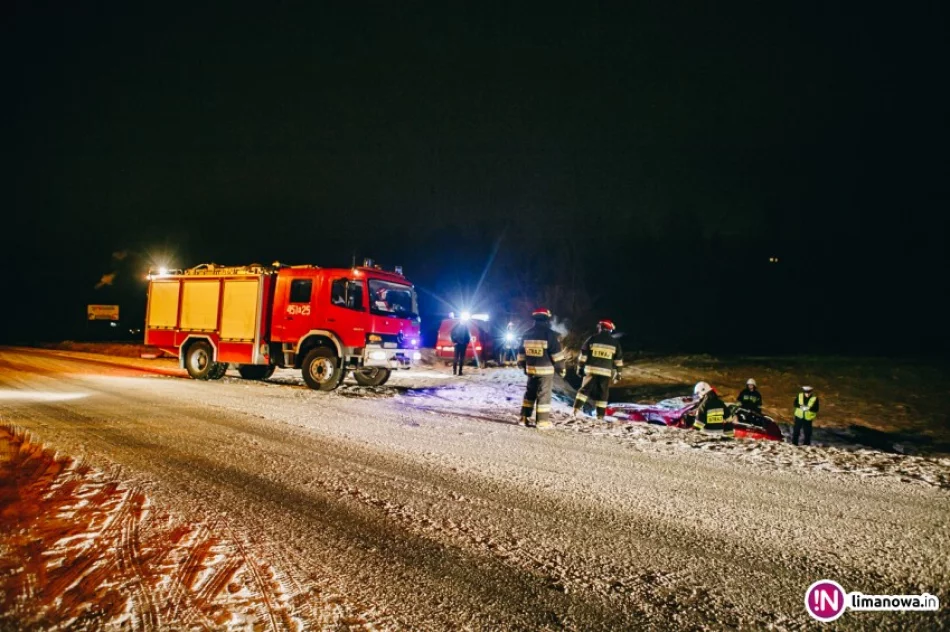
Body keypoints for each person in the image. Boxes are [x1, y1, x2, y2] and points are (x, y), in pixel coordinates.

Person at [517, 308, 567, 429]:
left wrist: (523, 365)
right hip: (545, 371)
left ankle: (524, 418)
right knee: (544, 395)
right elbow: (557, 355)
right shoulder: (550, 334)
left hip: (531, 370)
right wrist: (561, 369)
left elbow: (521, 353)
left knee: (530, 394)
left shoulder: (526, 333)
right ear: (547, 320)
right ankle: (542, 421)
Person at [572, 319, 624, 420]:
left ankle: (575, 411)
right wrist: (618, 373)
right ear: (610, 330)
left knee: (584, 390)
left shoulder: (592, 339)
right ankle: (600, 416)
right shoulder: (615, 343)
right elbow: (618, 360)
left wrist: (580, 367)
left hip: (591, 370)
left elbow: (583, 355)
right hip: (605, 373)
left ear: (600, 328)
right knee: (603, 394)